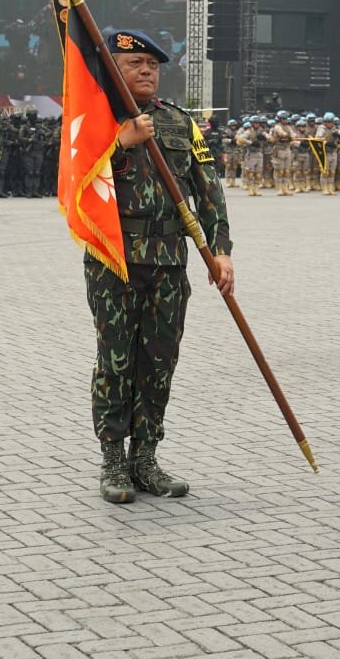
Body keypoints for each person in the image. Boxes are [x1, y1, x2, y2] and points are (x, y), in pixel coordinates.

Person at [87, 29, 234, 505]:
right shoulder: (95, 122)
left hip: (170, 263)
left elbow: (208, 187)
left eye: (153, 64)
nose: (147, 70)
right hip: (115, 261)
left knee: (159, 361)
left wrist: (221, 249)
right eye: (135, 64)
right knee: (116, 360)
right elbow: (75, 184)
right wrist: (121, 143)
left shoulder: (178, 122)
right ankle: (113, 460)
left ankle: (145, 457)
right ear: (113, 69)